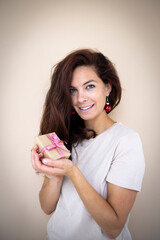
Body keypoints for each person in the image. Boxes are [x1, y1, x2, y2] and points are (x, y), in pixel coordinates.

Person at [31, 49, 145, 240]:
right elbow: (46, 207)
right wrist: (54, 178)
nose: (80, 98)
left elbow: (114, 227)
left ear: (107, 87)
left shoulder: (126, 141)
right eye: (72, 90)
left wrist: (72, 172)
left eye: (89, 86)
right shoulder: (64, 137)